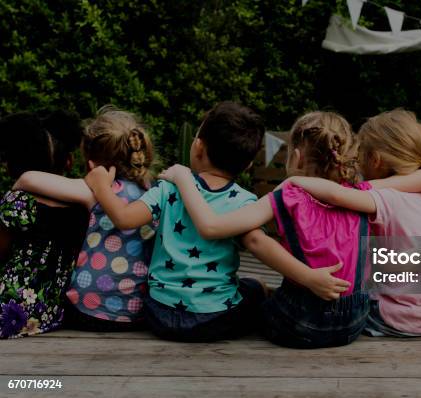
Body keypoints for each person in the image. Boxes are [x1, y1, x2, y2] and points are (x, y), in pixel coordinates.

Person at [84, 103, 347, 343]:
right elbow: (257, 242)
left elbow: (124, 218)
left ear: (198, 146)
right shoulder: (245, 202)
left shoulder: (168, 187)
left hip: (158, 314)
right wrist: (309, 278)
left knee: (249, 287)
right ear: (246, 166)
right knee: (254, 288)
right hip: (215, 320)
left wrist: (101, 186)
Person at [280, 109, 421, 337]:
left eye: (360, 156)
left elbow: (337, 196)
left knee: (331, 308)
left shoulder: (387, 200)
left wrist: (296, 181)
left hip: (394, 315)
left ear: (375, 160)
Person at [13, 106, 156, 331]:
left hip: (86, 312)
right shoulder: (155, 194)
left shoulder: (95, 192)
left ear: (91, 163)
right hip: (136, 314)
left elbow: (28, 179)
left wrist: (96, 181)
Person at [0, 110, 89, 338]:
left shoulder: (18, 202)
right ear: (68, 162)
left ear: (11, 165)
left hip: (7, 309)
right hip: (49, 313)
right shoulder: (81, 208)